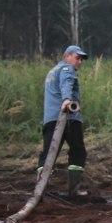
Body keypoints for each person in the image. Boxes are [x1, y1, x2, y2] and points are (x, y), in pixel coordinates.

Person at [40, 45, 89, 198]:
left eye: (81, 59)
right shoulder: (67, 69)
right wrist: (67, 100)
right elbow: (66, 83)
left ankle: (39, 190)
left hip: (50, 119)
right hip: (68, 118)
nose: (80, 61)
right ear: (67, 56)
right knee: (78, 151)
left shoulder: (52, 71)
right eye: (77, 57)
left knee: (48, 153)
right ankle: (74, 191)